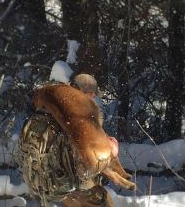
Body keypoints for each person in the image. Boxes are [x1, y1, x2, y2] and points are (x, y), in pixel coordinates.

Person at [18, 73, 115, 207]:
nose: (92, 99)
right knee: (102, 197)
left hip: (40, 183)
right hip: (67, 187)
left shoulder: (44, 110)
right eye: (91, 95)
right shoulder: (77, 121)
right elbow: (85, 171)